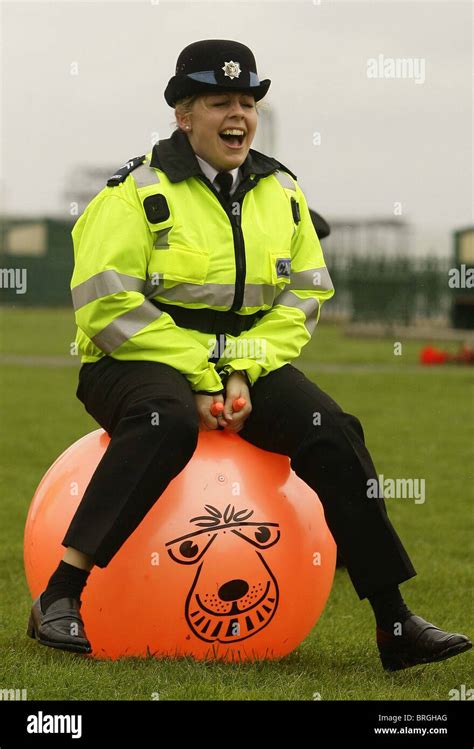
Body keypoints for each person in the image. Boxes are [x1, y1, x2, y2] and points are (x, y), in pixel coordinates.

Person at [27, 39, 471, 671]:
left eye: (247, 102)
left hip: (243, 361)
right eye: (219, 102)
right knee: (168, 420)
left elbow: (306, 295)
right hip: (129, 359)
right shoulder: (134, 194)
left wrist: (240, 368)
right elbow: (105, 306)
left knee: (334, 431)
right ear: (184, 114)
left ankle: (396, 623)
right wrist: (206, 374)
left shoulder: (281, 191)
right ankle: (61, 594)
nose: (237, 114)